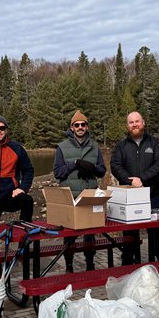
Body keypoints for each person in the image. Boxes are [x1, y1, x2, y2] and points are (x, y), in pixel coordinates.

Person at [110, 111, 159, 263]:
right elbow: (115, 166)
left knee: (156, 232)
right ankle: (129, 264)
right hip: (129, 199)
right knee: (129, 234)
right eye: (131, 122)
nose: (135, 124)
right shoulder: (121, 147)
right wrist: (130, 181)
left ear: (143, 123)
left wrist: (142, 179)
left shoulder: (155, 144)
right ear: (127, 126)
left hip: (152, 196)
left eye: (137, 121)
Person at [53, 110, 106, 271]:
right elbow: (58, 173)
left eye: (83, 124)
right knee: (69, 235)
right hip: (70, 195)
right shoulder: (62, 147)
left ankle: (90, 263)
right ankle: (69, 264)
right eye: (77, 125)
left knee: (90, 234)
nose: (80, 127)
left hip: (89, 194)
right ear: (72, 127)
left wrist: (92, 169)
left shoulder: (95, 146)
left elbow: (102, 171)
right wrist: (75, 163)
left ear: (87, 127)